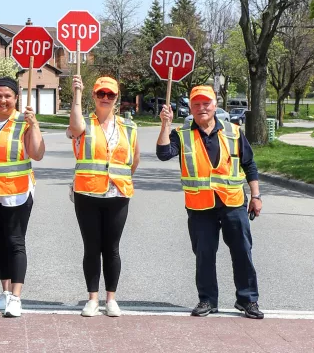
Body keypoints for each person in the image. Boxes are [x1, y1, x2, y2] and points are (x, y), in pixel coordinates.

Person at [156, 86, 264, 319]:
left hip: (233, 203)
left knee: (242, 252)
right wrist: (165, 124)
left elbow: (250, 165)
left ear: (215, 105)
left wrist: (255, 196)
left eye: (206, 103)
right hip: (199, 206)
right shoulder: (182, 134)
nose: (201, 108)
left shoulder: (234, 132)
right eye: (196, 104)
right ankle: (207, 300)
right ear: (191, 108)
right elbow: (164, 153)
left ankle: (248, 300)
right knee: (204, 254)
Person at [0, 77, 45, 317]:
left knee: (15, 242)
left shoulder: (24, 121)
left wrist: (34, 125)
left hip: (17, 190)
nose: (3, 100)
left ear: (16, 99)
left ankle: (16, 297)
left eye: (7, 96)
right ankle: (4, 293)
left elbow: (37, 153)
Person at [67, 76, 140, 318]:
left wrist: (120, 179)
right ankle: (92, 299)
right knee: (92, 247)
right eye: (101, 94)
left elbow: (134, 160)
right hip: (87, 193)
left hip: (117, 194)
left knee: (112, 248)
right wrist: (76, 94)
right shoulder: (84, 123)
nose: (106, 98)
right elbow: (75, 129)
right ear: (94, 96)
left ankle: (111, 299)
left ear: (117, 98)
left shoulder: (129, 127)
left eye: (111, 95)